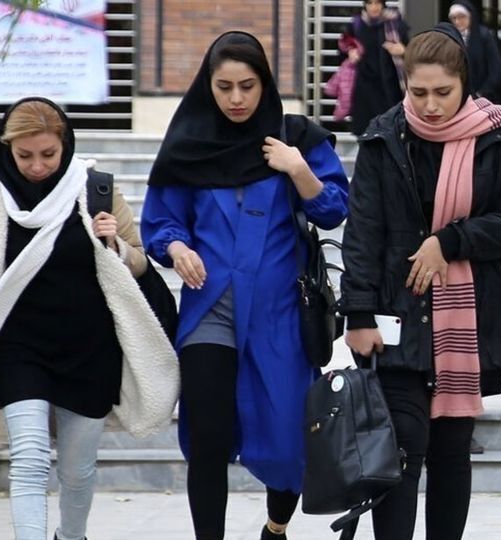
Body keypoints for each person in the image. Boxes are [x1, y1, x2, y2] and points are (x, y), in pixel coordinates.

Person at [141, 31, 348, 540]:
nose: (236, 98)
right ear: (207, 85)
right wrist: (177, 248)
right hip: (209, 309)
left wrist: (298, 169)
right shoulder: (188, 145)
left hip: (280, 313)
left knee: (289, 439)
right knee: (207, 437)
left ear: (266, 84)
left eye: (248, 86)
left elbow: (334, 209)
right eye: (224, 86)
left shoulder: (297, 139)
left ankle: (275, 528)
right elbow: (161, 221)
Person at [0, 97, 178, 540]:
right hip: (19, 351)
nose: (37, 166)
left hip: (90, 351)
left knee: (77, 469)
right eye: (25, 155)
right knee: (29, 460)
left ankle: (71, 537)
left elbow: (139, 262)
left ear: (66, 146)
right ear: (7, 150)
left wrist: (116, 245)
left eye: (48, 154)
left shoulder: (96, 191)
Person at [340, 23, 501, 540]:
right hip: (396, 312)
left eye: (443, 92)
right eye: (418, 91)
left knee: (450, 450)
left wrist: (448, 241)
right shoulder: (383, 137)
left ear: (464, 83)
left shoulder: (497, 137)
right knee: (401, 445)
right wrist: (357, 312)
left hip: (466, 319)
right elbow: (363, 232)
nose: (430, 105)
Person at [345, 0, 410, 136]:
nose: (374, 7)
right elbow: (344, 46)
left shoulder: (395, 23)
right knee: (364, 133)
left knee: (389, 132)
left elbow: (411, 50)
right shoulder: (356, 25)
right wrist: (350, 52)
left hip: (389, 88)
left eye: (377, 3)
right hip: (363, 89)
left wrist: (403, 51)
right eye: (370, 3)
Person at [448, 1, 501, 101]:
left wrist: (482, 92)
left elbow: (495, 68)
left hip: (483, 95)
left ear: (470, 17)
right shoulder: (450, 37)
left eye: (461, 17)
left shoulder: (483, 35)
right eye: (453, 18)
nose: (457, 21)